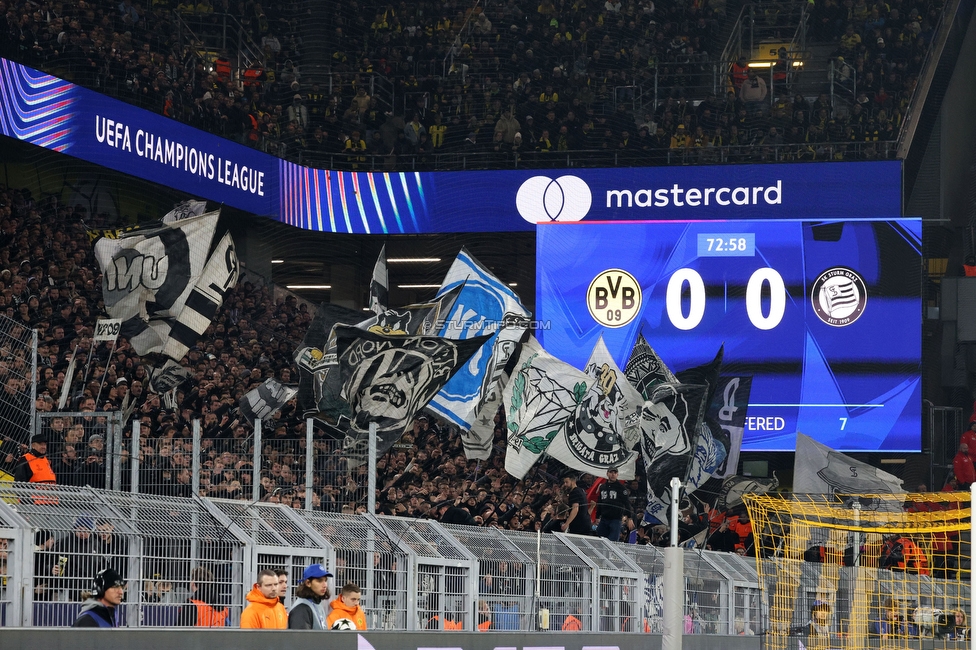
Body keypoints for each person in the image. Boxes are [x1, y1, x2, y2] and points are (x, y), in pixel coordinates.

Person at [288, 563, 333, 630]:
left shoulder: (317, 603)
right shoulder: (301, 609)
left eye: (325, 580)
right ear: (308, 583)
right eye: (319, 581)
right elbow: (300, 638)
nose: (325, 585)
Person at [593, 467, 630, 542]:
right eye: (611, 472)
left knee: (612, 542)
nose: (613, 474)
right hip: (604, 518)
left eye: (615, 473)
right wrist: (597, 516)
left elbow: (627, 503)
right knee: (600, 541)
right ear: (607, 474)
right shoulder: (603, 487)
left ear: (617, 475)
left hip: (615, 519)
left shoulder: (621, 488)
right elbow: (600, 502)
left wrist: (630, 517)